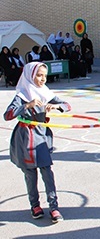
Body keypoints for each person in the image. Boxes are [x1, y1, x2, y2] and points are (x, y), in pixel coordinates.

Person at [3, 62, 71, 224]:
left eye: (45, 76)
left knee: (47, 171)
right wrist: (28, 104)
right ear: (30, 75)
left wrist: (55, 107)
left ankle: (54, 207)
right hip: (26, 137)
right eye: (39, 75)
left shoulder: (46, 92)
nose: (42, 79)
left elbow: (67, 105)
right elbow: (8, 115)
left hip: (41, 136)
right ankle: (35, 206)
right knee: (30, 173)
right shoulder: (22, 95)